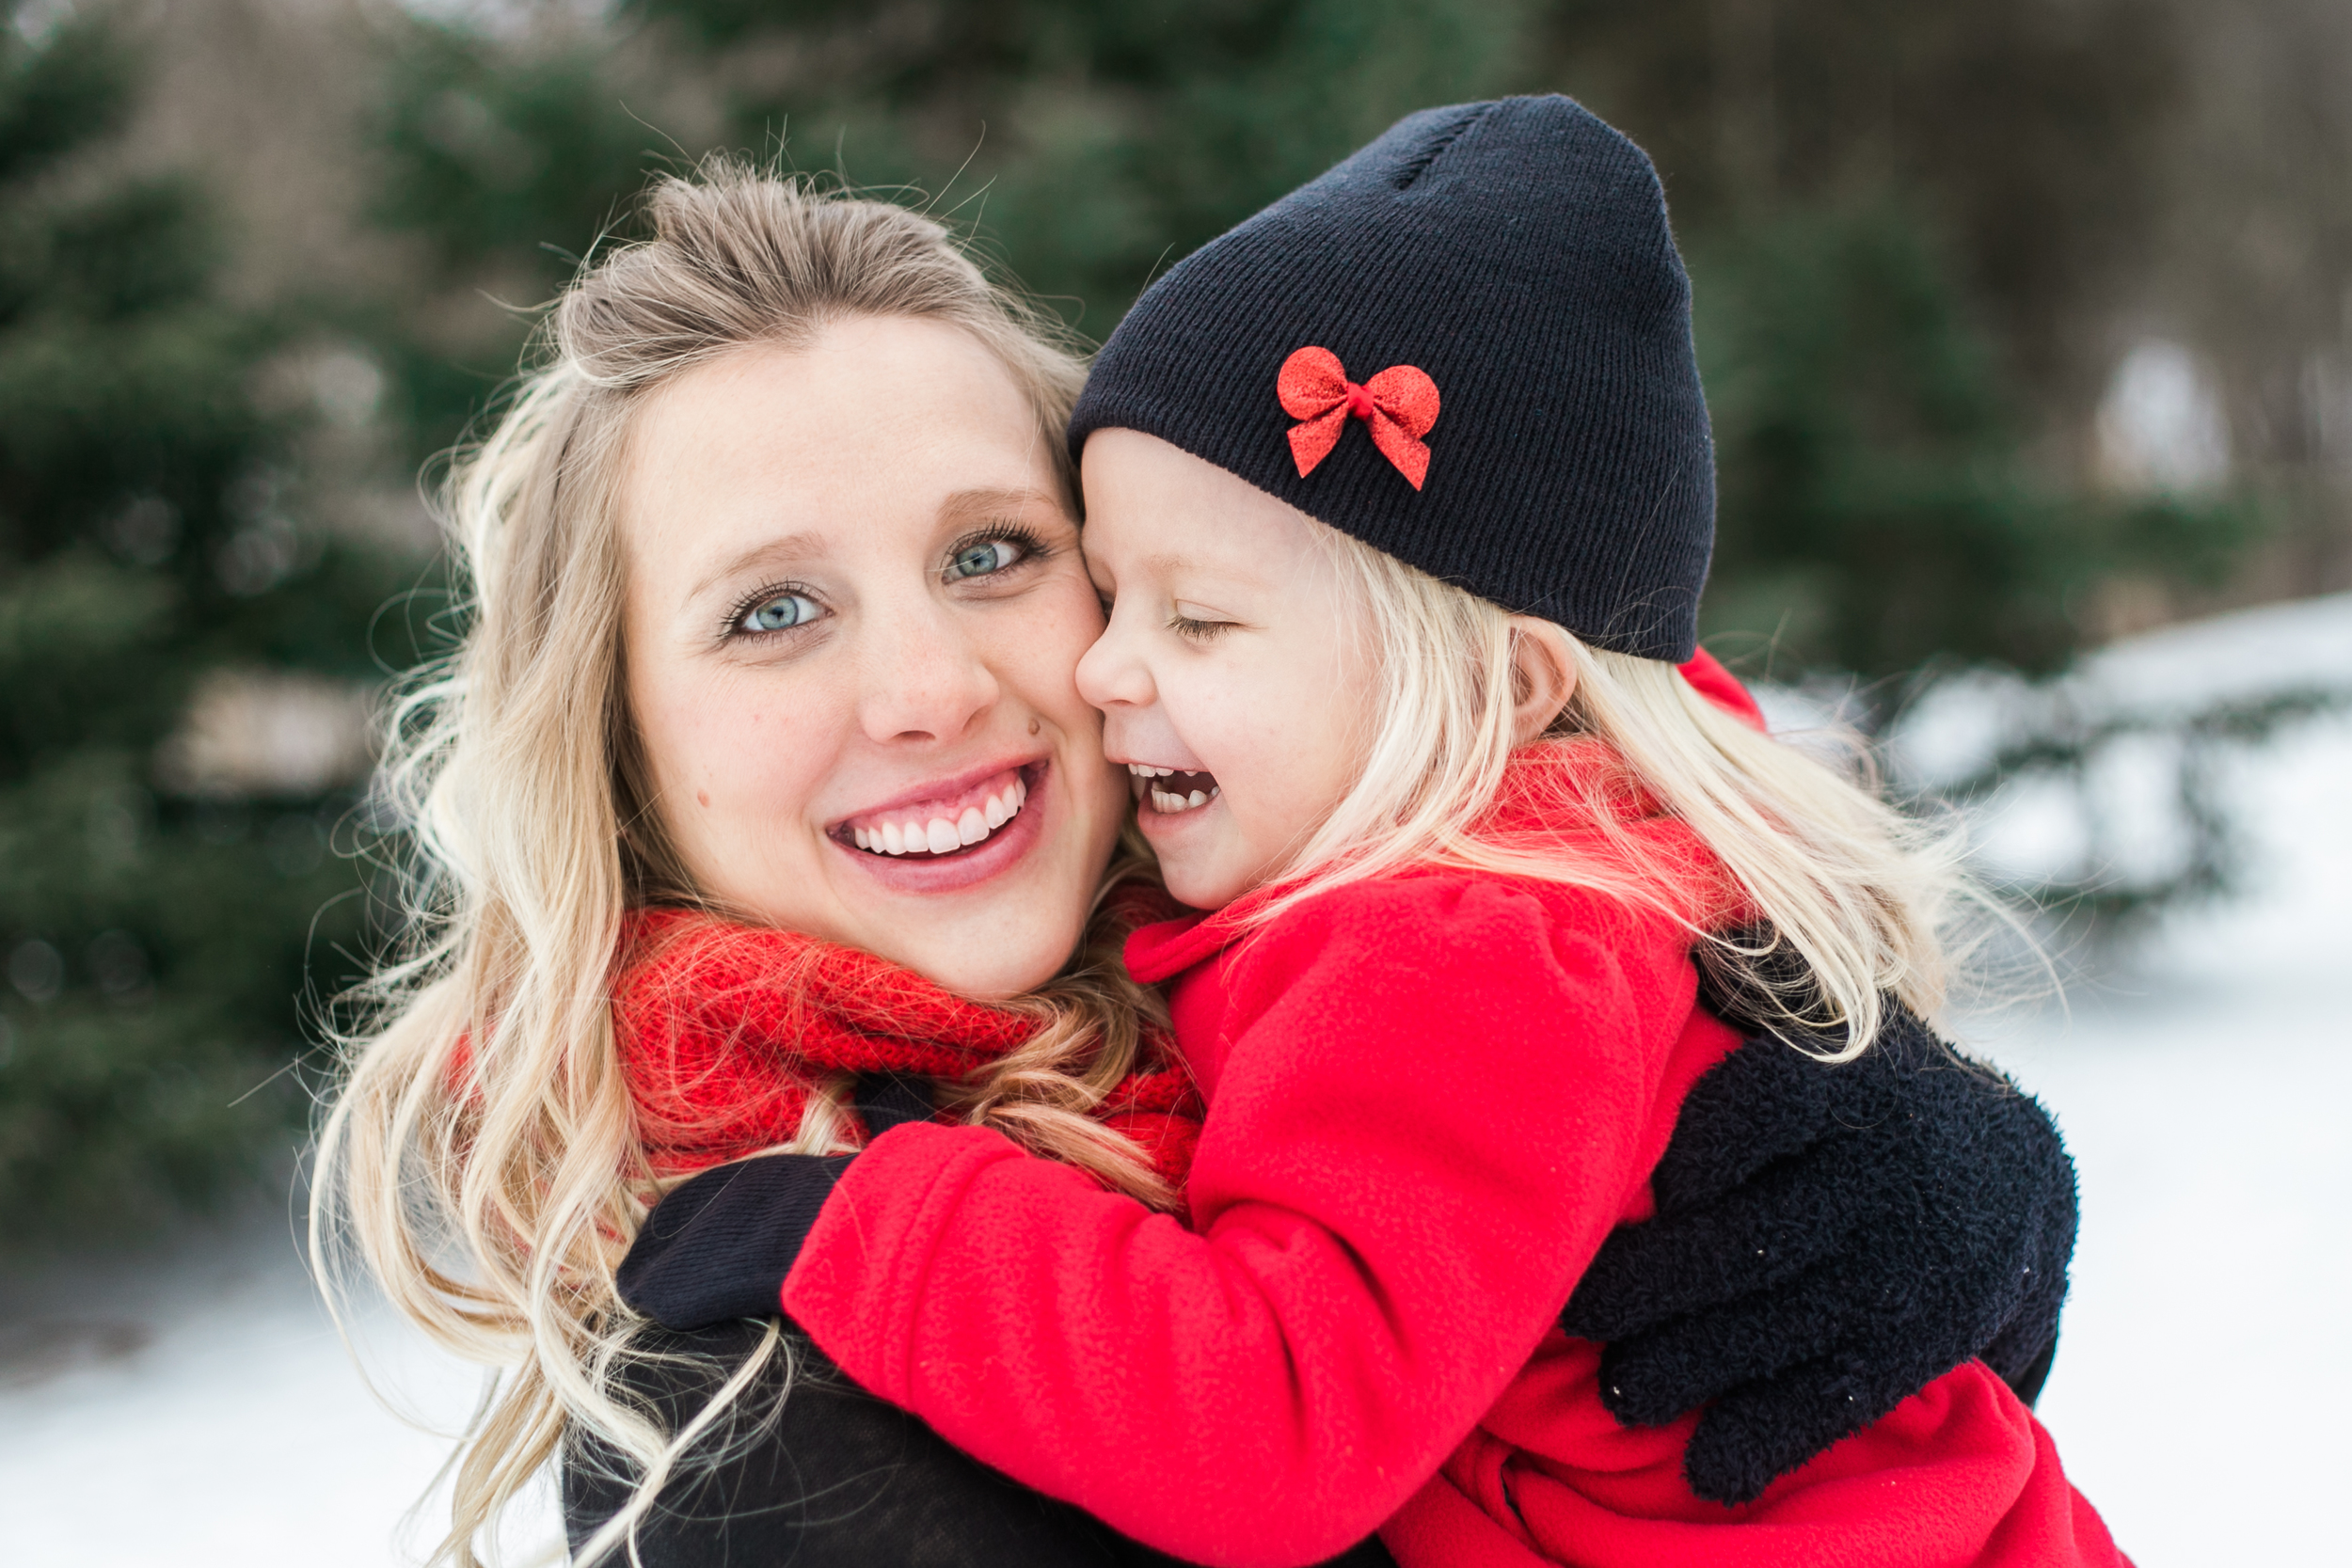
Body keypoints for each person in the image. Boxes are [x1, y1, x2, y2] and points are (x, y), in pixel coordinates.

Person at [312, 150, 2075, 1568]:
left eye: (998, 552)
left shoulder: (1339, 887)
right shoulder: (781, 1438)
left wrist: (1928, 1163)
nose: (937, 688)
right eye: (774, 612)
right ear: (616, 740)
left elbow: (1531, 650)